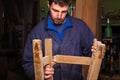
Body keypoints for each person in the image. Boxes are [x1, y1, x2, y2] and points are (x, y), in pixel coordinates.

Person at [22, 0, 98, 80]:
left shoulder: (80, 28)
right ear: (48, 4)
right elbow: (27, 64)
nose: (59, 16)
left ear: (69, 6)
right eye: (55, 10)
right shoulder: (37, 32)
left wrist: (96, 52)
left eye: (64, 11)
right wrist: (41, 72)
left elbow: (94, 57)